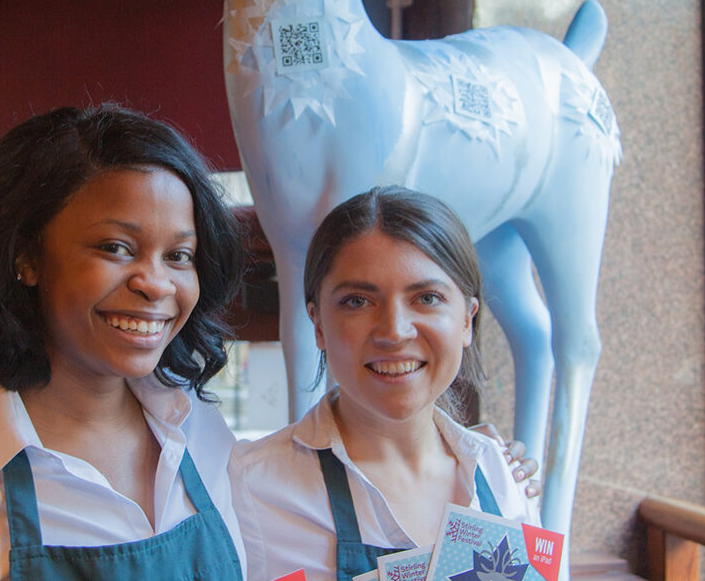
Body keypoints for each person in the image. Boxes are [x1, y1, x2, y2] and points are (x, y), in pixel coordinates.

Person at [0, 104, 247, 580]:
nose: (157, 284)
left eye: (179, 255)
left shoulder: (200, 435)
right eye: (116, 247)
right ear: (26, 257)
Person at [230, 186, 540, 581]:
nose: (394, 332)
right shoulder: (249, 488)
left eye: (427, 298)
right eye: (358, 301)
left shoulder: (504, 478)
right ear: (318, 324)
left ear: (467, 320)